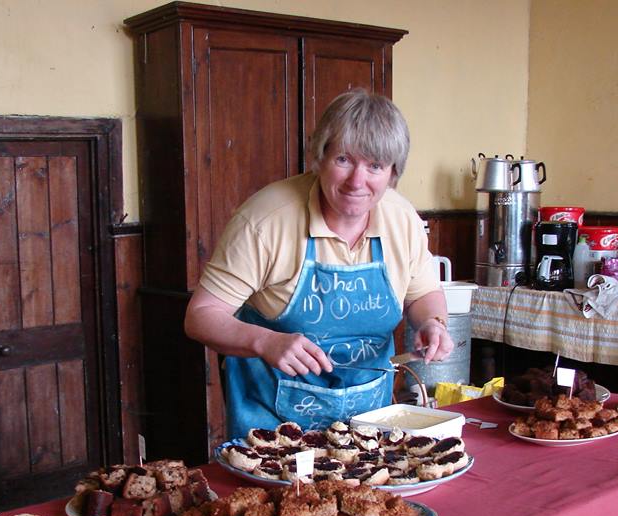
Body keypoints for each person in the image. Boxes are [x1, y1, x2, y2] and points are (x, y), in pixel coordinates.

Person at [184, 88, 453, 438]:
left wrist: (432, 323)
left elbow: (423, 293)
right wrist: (265, 342)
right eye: (344, 159)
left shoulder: (402, 220)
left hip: (371, 427)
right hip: (272, 431)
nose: (358, 181)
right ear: (320, 156)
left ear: (392, 172)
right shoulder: (266, 221)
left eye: (375, 166)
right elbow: (200, 316)